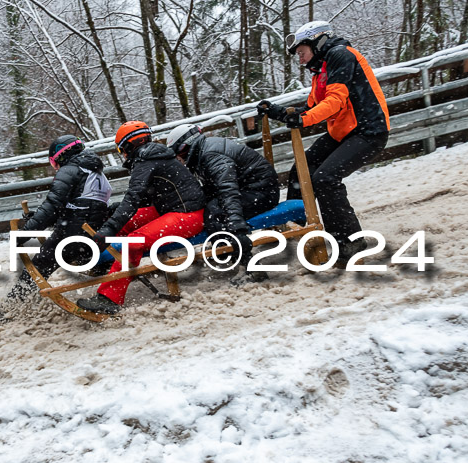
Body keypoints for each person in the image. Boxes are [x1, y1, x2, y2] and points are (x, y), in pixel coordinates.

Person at [258, 20, 390, 265]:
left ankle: (351, 242)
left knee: (325, 179)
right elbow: (312, 106)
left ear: (317, 42)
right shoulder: (321, 69)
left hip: (368, 131)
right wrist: (278, 112)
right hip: (344, 131)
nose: (300, 58)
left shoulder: (340, 56)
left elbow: (335, 101)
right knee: (301, 169)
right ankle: (298, 224)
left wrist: (303, 119)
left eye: (301, 52)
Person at [76, 121, 206, 314]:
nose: (124, 155)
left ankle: (109, 299)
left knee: (132, 242)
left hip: (188, 215)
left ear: (127, 147)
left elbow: (134, 196)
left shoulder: (146, 160)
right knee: (126, 223)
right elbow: (143, 197)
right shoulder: (151, 157)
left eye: (122, 151)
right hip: (170, 209)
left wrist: (108, 229)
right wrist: (114, 214)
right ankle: (104, 263)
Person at [0, 135, 112, 323]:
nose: (56, 167)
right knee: (41, 265)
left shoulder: (70, 169)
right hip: (90, 238)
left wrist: (25, 233)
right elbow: (80, 207)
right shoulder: (96, 172)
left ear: (61, 156)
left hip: (72, 238)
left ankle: (5, 314)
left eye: (54, 163)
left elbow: (53, 206)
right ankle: (14, 308)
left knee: (35, 270)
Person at [166, 124, 280, 274]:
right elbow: (215, 188)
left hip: (263, 193)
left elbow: (228, 190)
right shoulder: (204, 151)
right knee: (209, 207)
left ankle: (250, 265)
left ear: (184, 148)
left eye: (176, 155)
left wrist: (237, 226)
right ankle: (225, 250)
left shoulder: (210, 155)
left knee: (215, 214)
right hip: (251, 188)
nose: (177, 160)